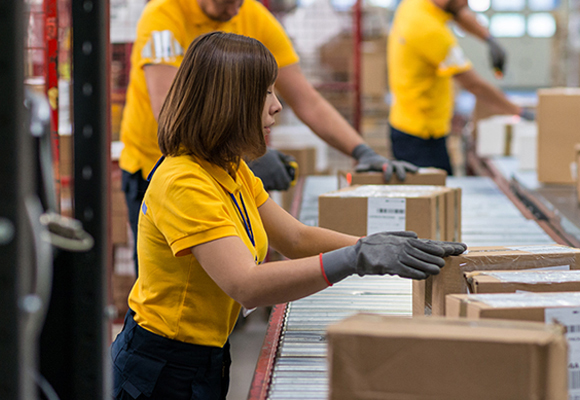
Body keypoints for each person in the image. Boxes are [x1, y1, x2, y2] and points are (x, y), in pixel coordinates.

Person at [111, 32, 466, 400]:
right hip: (160, 367)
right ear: (228, 102)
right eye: (265, 93)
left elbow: (294, 238)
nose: (277, 106)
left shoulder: (229, 168)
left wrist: (375, 248)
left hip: (205, 356)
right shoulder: (184, 182)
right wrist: (355, 260)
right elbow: (245, 284)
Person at [119, 0, 419, 276]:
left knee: (217, 280)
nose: (236, 10)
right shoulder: (164, 17)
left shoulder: (251, 14)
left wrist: (361, 150)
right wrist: (353, 259)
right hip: (154, 163)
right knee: (177, 274)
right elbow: (171, 107)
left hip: (217, 161)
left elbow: (306, 99)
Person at [387, 0, 531, 176]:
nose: (466, 3)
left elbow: (459, 13)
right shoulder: (428, 30)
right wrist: (519, 111)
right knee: (435, 196)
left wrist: (489, 39)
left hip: (419, 126)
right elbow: (474, 85)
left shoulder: (418, 5)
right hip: (419, 137)